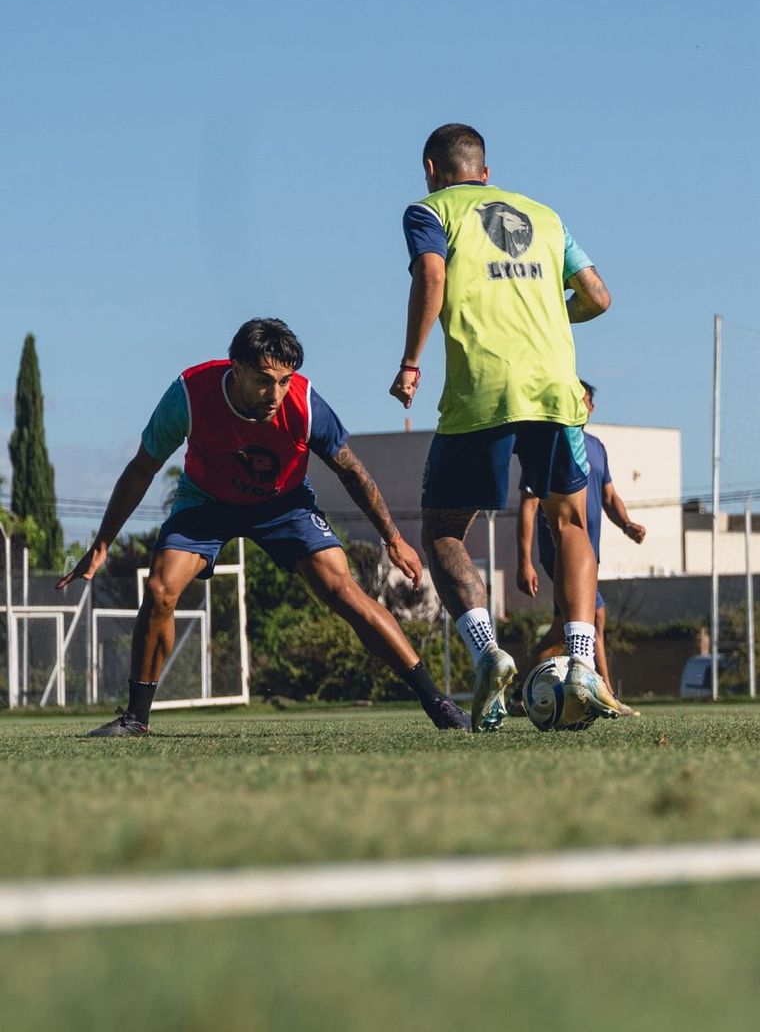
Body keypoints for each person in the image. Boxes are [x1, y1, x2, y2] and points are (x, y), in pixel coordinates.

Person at [58, 318, 469, 734]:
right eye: (263, 381)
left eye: (284, 381)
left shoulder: (305, 405)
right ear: (235, 368)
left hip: (284, 503)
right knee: (160, 589)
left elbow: (352, 472)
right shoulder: (189, 395)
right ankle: (136, 719)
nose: (275, 394)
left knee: (342, 590)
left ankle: (439, 704)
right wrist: (102, 543)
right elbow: (141, 469)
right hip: (207, 501)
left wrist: (393, 538)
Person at [389, 123, 616, 731]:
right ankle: (582, 662)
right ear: (486, 173)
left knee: (443, 531)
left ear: (431, 171)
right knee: (571, 522)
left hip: (483, 390)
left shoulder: (429, 210)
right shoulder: (546, 216)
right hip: (556, 388)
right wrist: (548, 313)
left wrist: (410, 362)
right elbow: (598, 296)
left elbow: (431, 276)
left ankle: (488, 649)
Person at [512, 380, 646, 717]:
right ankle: (606, 693)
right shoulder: (550, 441)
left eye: (584, 400)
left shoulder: (597, 447)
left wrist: (627, 525)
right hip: (558, 548)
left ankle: (519, 694)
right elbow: (528, 506)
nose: (579, 405)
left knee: (562, 630)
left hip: (588, 554)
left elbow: (610, 497)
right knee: (595, 616)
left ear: (591, 407)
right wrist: (524, 560)